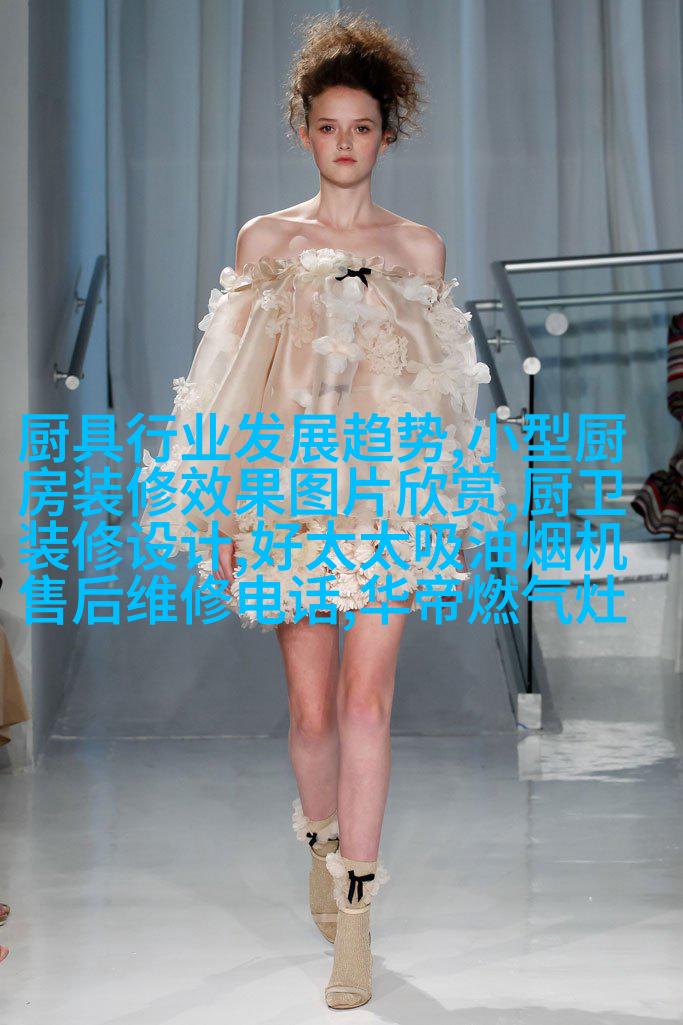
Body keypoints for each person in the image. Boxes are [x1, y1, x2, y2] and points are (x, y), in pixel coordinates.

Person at [139, 10, 504, 1011]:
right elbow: (231, 380)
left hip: (388, 498)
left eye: (362, 127)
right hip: (288, 498)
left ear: (387, 134)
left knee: (365, 702)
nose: (345, 143)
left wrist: (448, 501)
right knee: (309, 711)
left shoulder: (418, 248)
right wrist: (220, 506)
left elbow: (442, 392)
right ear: (304, 131)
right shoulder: (267, 239)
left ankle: (356, 917)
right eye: (329, 126)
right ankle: (319, 838)